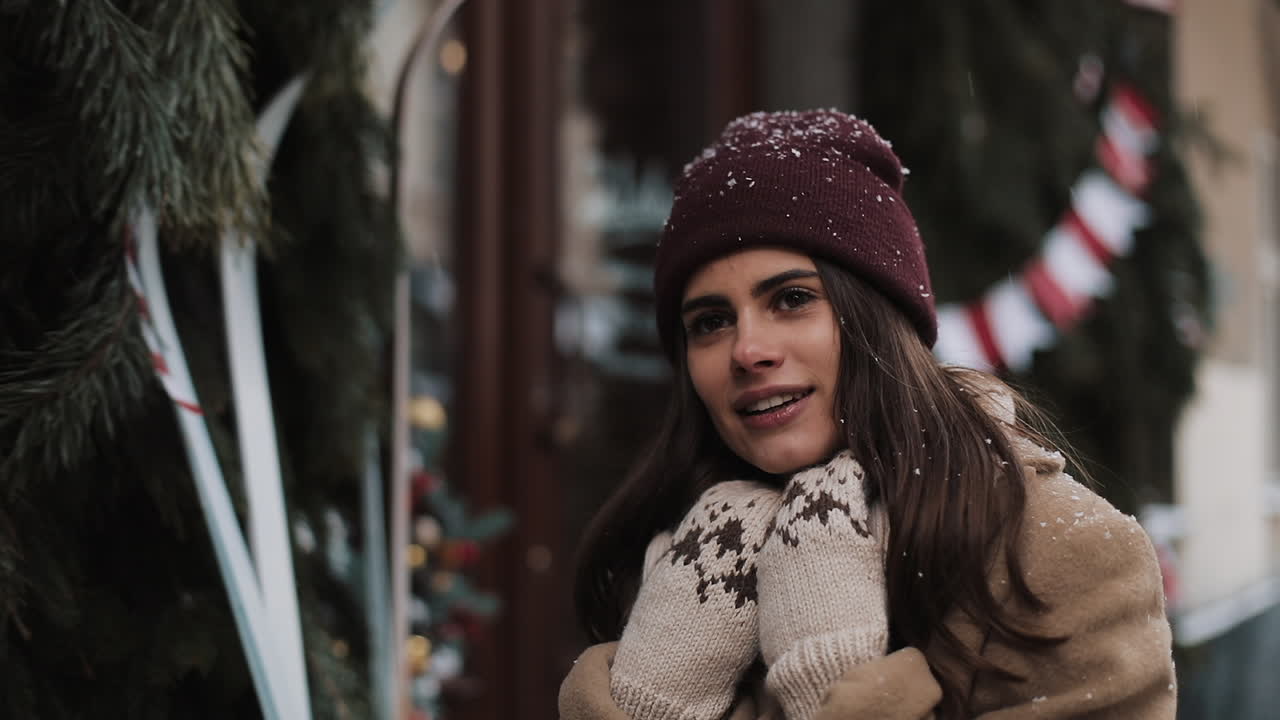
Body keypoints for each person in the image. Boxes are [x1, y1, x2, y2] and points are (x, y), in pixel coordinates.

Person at [559, 110, 1176, 720]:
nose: (747, 351)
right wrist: (655, 695)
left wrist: (832, 682)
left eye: (793, 299)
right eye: (711, 322)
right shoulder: (679, 557)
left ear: (879, 317)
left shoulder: (1061, 554)